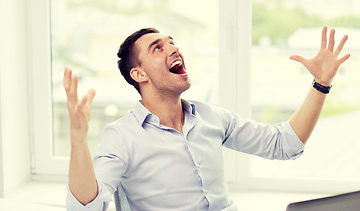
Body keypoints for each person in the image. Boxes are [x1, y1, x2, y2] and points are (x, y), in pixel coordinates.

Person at [65, 26, 350, 210]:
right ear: (139, 75)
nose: (174, 49)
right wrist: (78, 140)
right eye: (158, 48)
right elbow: (87, 205)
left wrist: (321, 84)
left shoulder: (210, 117)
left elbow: (284, 144)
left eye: (172, 42)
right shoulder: (122, 136)